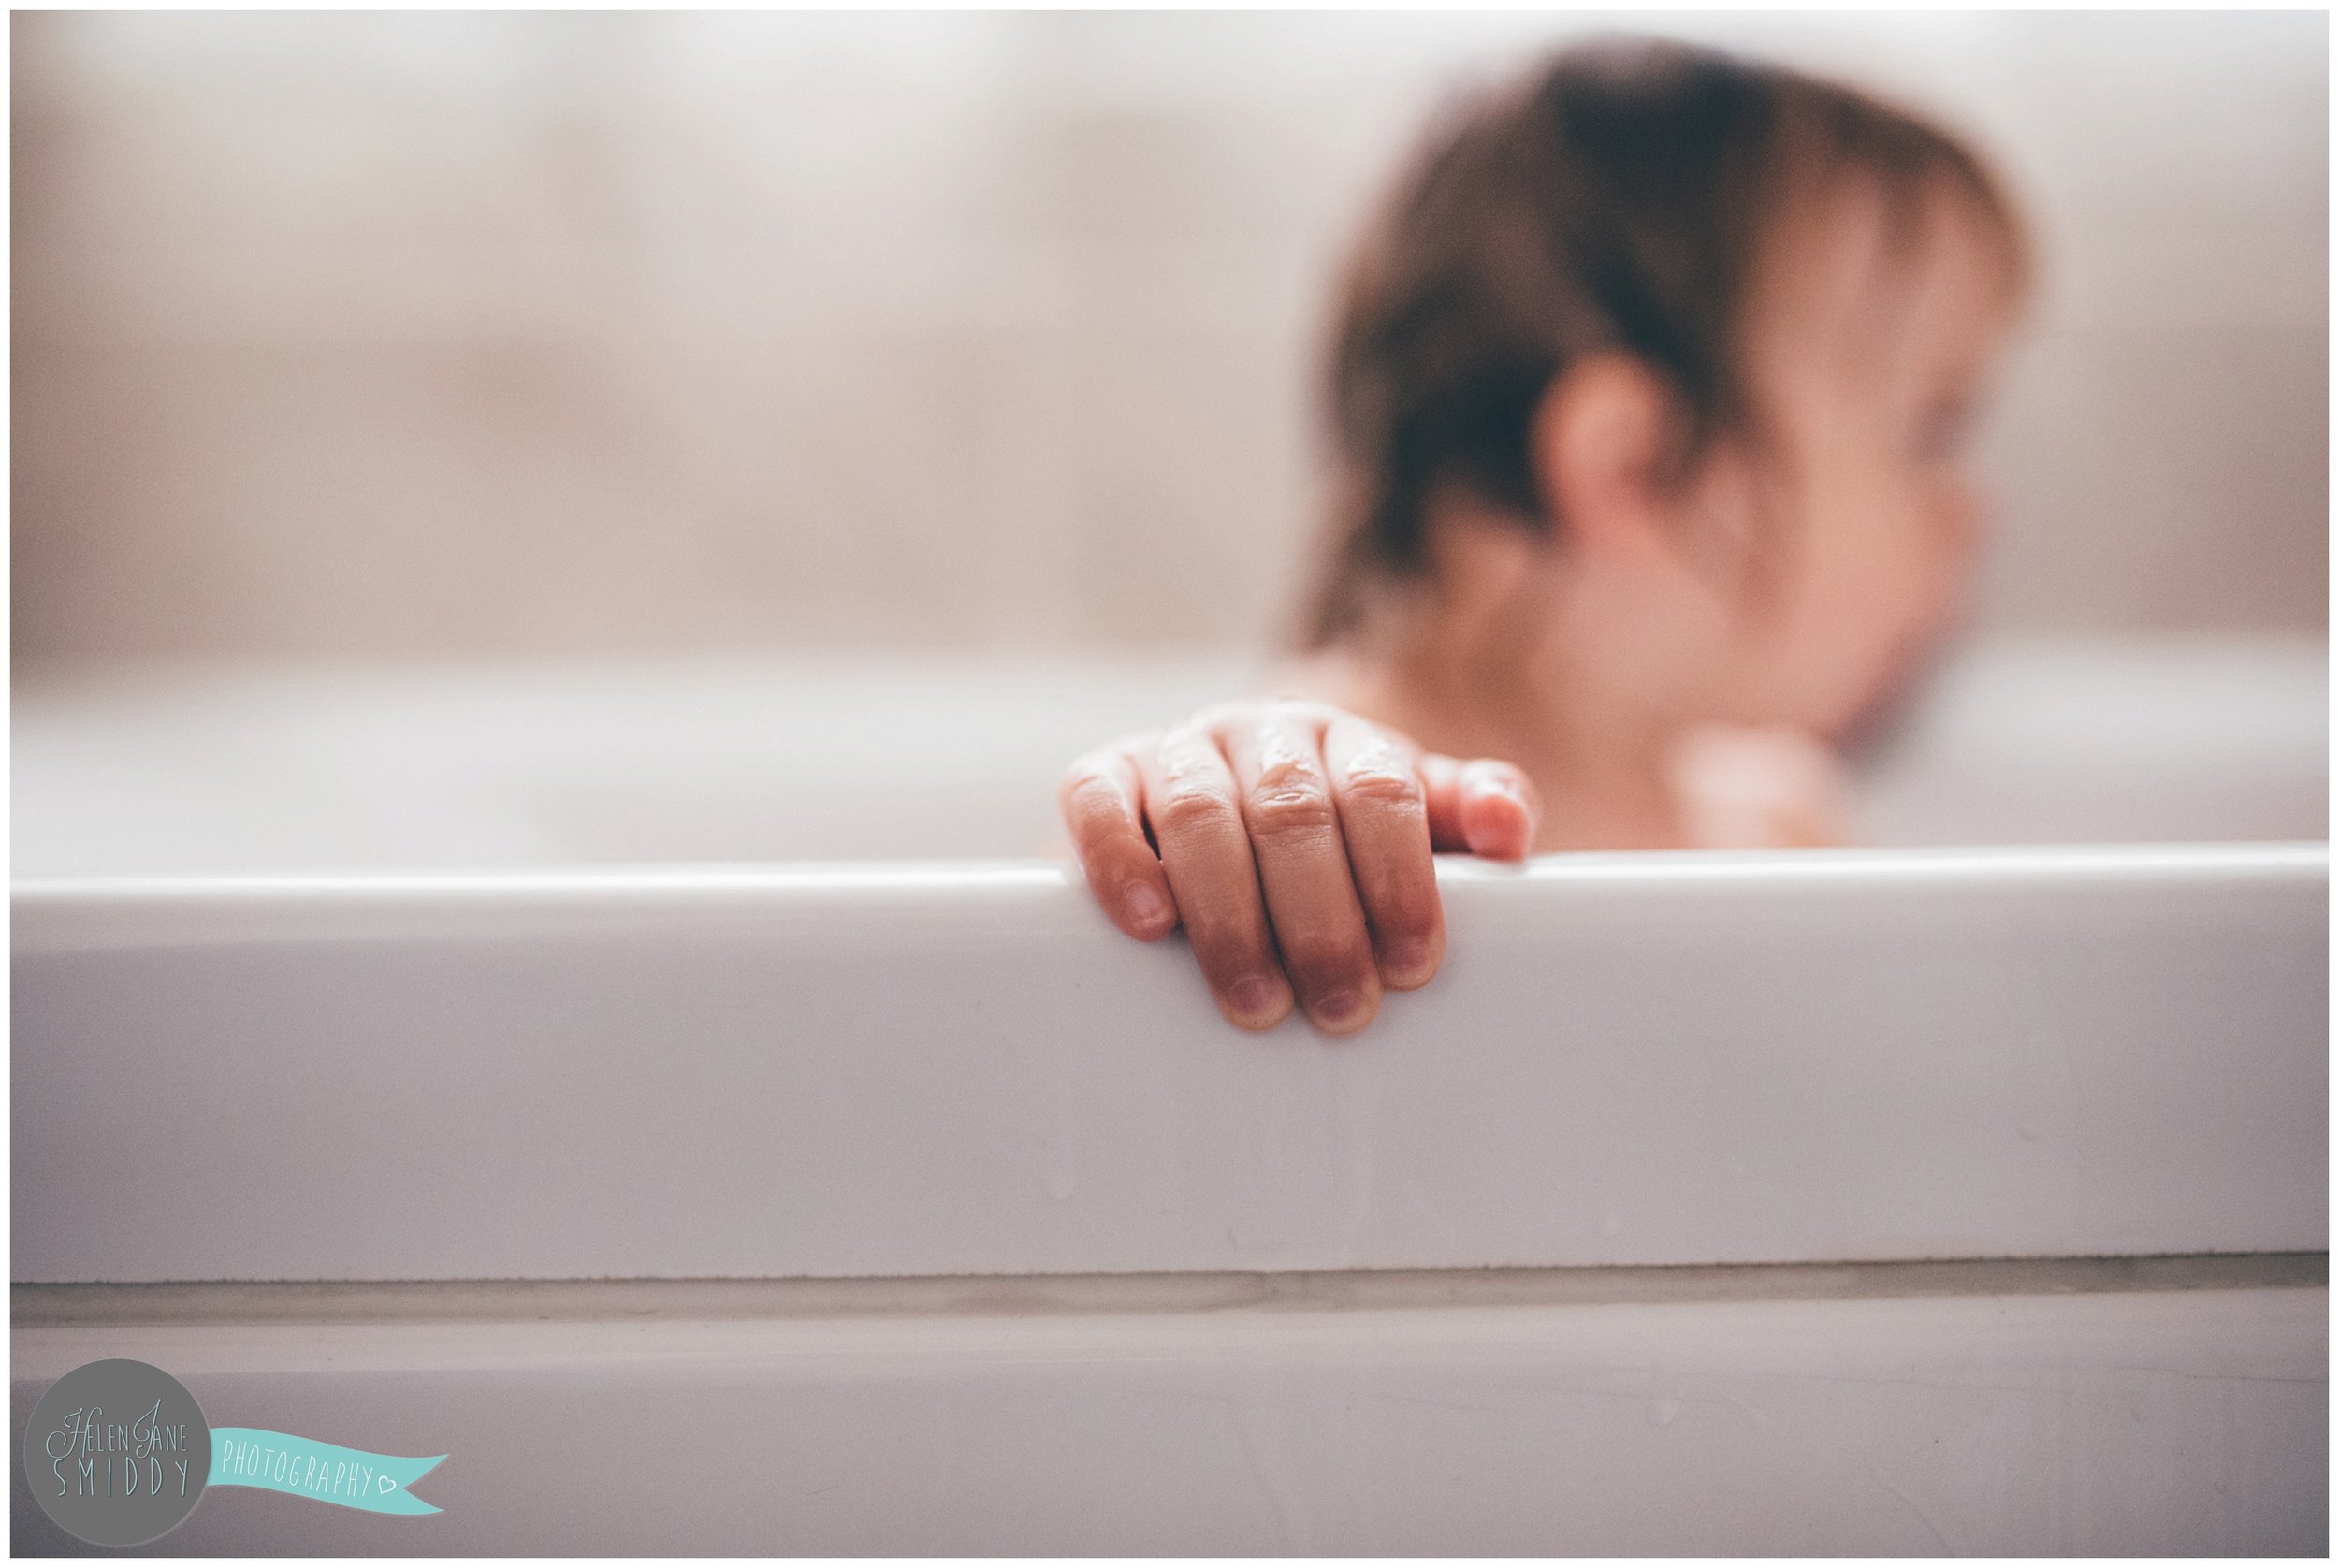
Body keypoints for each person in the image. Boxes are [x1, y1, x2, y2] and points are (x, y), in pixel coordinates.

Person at [1058, 36, 2029, 1037]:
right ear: (1631, 465)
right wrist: (1234, 806)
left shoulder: (1778, 817)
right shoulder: (1348, 815)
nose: (1972, 510)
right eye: (1933, 430)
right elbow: (1213, 831)